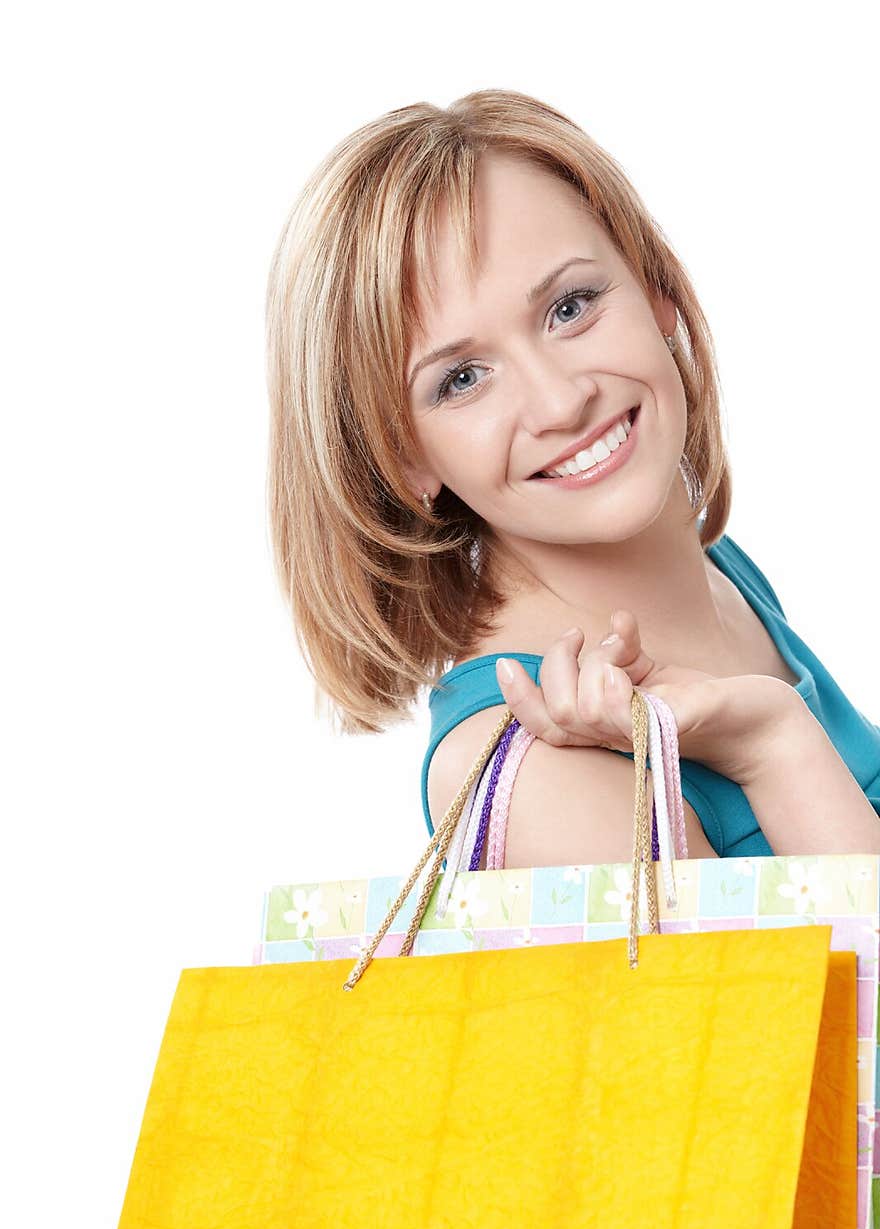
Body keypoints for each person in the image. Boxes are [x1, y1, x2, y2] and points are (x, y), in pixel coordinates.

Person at [264, 89, 880, 868]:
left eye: (571, 305)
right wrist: (772, 746)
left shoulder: (716, 569)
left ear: (655, 286)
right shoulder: (532, 765)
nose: (561, 400)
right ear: (402, 458)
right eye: (461, 379)